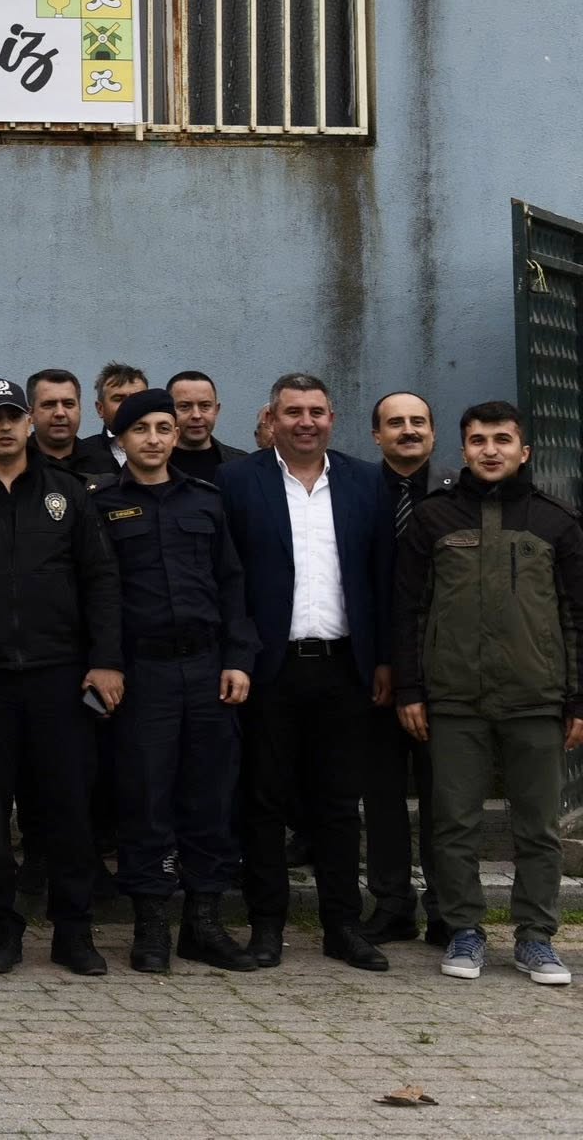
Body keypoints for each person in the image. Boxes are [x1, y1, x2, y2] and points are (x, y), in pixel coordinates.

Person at [0, 378, 121, 976]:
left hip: (60, 681)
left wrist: (106, 661)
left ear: (28, 424)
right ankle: (1, 932)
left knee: (68, 812)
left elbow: (100, 581)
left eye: (14, 416)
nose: (6, 426)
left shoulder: (68, 493)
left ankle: (74, 934)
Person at [395, 402, 583, 987]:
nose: (491, 450)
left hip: (536, 697)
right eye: (478, 440)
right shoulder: (433, 518)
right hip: (453, 699)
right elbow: (409, 610)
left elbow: (577, 616)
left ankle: (536, 937)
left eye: (502, 439)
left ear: (524, 451)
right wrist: (410, 689)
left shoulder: (556, 521)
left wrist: (577, 700)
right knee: (454, 823)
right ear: (464, 450)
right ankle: (464, 930)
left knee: (538, 827)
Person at [218, 372, 395, 972]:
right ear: (271, 418)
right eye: (293, 412)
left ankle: (342, 926)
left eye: (316, 412)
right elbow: (228, 580)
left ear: (332, 419)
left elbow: (382, 578)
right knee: (264, 801)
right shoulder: (238, 481)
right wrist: (236, 656)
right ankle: (267, 926)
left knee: (339, 803)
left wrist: (383, 659)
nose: (306, 422)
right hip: (269, 668)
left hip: (345, 667)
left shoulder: (365, 481)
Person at [90, 390, 259, 973]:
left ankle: (203, 925)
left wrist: (239, 658)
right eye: (142, 429)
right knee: (146, 798)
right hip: (143, 674)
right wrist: (106, 663)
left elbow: (232, 584)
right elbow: (95, 594)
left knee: (209, 797)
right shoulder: (101, 506)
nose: (155, 439)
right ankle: (152, 926)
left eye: (164, 428)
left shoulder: (207, 500)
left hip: (208, 670)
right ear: (121, 440)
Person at [362, 390, 444, 947]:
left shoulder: (459, 494)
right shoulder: (357, 493)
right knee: (382, 793)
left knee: (446, 797)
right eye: (396, 423)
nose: (408, 430)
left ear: (433, 433)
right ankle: (392, 905)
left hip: (444, 669)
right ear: (377, 435)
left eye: (418, 422)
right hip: (375, 670)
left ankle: (447, 908)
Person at [165, 372, 249, 483]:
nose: (196, 415)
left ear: (216, 410)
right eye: (185, 406)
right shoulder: (151, 465)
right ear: (168, 411)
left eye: (205, 406)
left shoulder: (243, 465)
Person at [73, 362, 147, 473]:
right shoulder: (80, 454)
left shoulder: (167, 450)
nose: (129, 405)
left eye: (137, 398)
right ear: (100, 409)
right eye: (118, 399)